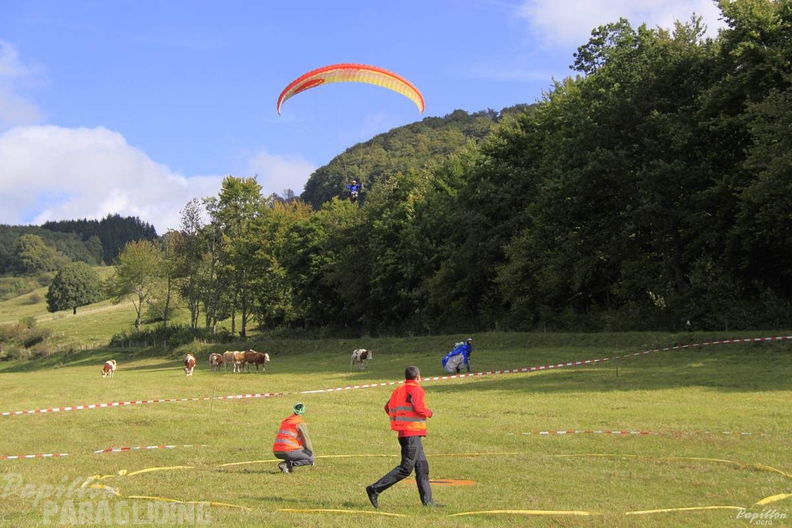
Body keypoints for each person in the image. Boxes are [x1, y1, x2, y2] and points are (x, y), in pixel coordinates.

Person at [366, 366, 444, 508]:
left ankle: (428, 502)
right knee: (406, 469)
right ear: (418, 377)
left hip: (406, 434)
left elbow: (387, 407)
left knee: (422, 467)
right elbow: (418, 408)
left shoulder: (398, 390)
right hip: (411, 434)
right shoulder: (417, 389)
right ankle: (375, 489)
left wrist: (400, 420)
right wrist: (429, 412)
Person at [272, 402, 314, 473]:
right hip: (287, 451)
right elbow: (306, 440)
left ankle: (287, 468)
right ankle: (287, 465)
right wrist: (310, 453)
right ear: (303, 410)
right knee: (310, 459)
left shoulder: (286, 421)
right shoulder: (299, 422)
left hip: (276, 451)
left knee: (295, 451)